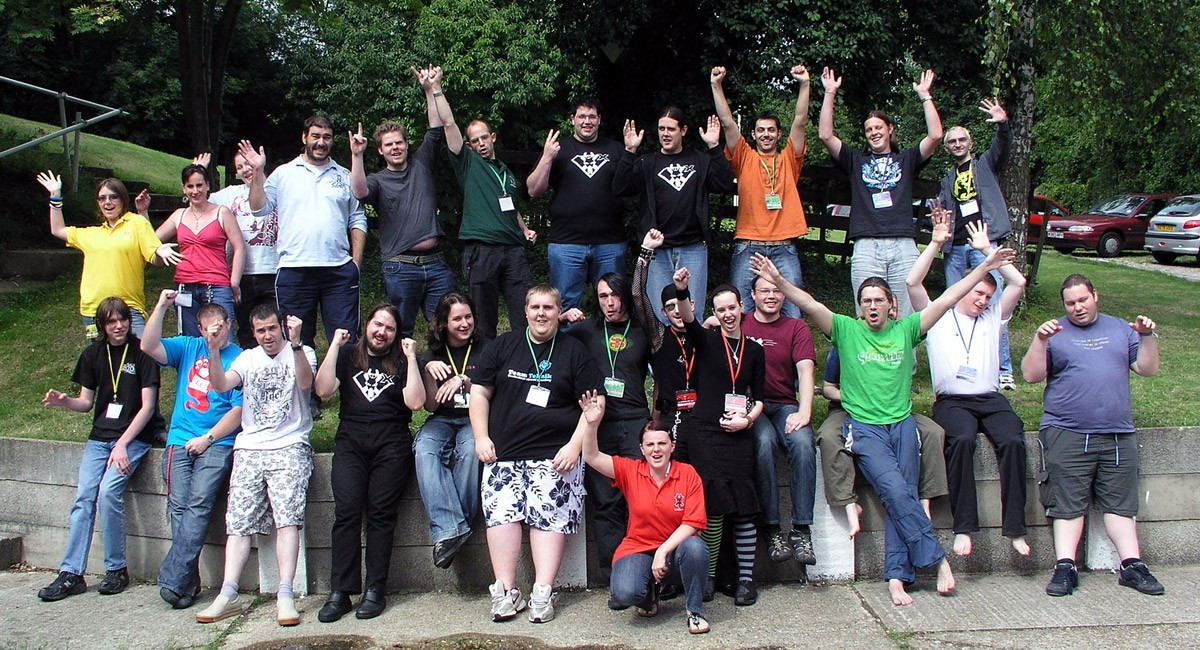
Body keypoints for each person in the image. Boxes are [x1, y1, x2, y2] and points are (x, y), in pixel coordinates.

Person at [753, 244, 1016, 606]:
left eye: (879, 300)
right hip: (865, 428)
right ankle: (937, 559)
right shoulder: (845, 329)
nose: (872, 306)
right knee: (895, 490)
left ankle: (896, 576)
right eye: (866, 301)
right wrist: (780, 281)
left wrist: (985, 266)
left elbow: (949, 298)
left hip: (902, 425)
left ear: (891, 304)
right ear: (859, 307)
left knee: (901, 495)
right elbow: (810, 304)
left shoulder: (907, 329)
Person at [467, 284, 604, 623]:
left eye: (548, 307)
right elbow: (479, 392)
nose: (541, 313)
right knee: (501, 516)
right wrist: (481, 437)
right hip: (504, 454)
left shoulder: (574, 352)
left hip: (555, 456)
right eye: (535, 307)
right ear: (525, 311)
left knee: (549, 517)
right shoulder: (504, 345)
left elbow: (595, 404)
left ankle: (542, 591)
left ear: (559, 312)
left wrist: (574, 446)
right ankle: (505, 591)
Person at [1021, 274, 1164, 597]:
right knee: (1066, 505)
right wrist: (1040, 340)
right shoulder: (1054, 332)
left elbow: (1147, 369)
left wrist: (1146, 336)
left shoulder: (1120, 329)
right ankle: (1065, 567)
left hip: (1117, 433)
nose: (1078, 308)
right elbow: (1031, 375)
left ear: (1095, 296)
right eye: (1070, 303)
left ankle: (1132, 566)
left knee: (1120, 505)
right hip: (1066, 431)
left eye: (1083, 300)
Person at [907, 212, 1029, 558]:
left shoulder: (993, 318)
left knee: (1013, 440)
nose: (983, 301)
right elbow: (913, 283)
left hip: (989, 397)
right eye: (978, 293)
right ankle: (963, 527)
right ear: (963, 288)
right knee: (960, 440)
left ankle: (1016, 528)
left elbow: (1018, 283)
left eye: (988, 296)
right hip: (953, 401)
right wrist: (935, 244)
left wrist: (988, 250)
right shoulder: (938, 314)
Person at [37, 297, 166, 602]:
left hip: (133, 437)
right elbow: (85, 403)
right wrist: (65, 402)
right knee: (84, 497)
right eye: (111, 321)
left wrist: (122, 445)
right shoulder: (93, 354)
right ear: (102, 325)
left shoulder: (143, 352)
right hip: (100, 437)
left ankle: (116, 568)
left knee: (108, 492)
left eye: (122, 319)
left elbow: (148, 408)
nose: (118, 326)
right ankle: (71, 573)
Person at [195, 306, 317, 627]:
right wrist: (212, 349)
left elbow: (307, 384)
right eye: (261, 330)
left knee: (287, 518)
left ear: (281, 327)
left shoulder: (301, 352)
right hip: (250, 447)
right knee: (237, 521)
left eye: (272, 328)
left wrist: (295, 344)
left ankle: (285, 594)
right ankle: (228, 592)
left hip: (290, 444)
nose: (267, 335)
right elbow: (221, 385)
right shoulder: (247, 358)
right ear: (253, 332)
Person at [314, 305, 424, 622]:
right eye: (378, 324)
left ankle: (375, 589)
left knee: (381, 514)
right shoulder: (349, 355)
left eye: (390, 328)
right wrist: (334, 346)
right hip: (351, 442)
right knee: (347, 511)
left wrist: (412, 358)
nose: (382, 332)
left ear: (397, 334)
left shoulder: (402, 360)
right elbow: (322, 390)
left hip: (392, 444)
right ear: (367, 325)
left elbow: (416, 403)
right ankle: (340, 591)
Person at [141, 290, 243, 609]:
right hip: (180, 438)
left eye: (219, 326)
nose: (214, 332)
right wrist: (161, 306)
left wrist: (208, 438)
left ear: (228, 324)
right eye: (207, 328)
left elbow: (238, 410)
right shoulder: (188, 347)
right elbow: (148, 346)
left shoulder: (240, 358)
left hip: (218, 441)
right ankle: (187, 583)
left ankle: (172, 579)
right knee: (178, 507)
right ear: (199, 328)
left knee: (199, 504)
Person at [817, 67, 943, 319]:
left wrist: (925, 96)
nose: (874, 132)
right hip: (866, 244)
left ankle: (903, 348)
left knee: (904, 314)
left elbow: (936, 135)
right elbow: (825, 135)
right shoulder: (855, 160)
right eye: (869, 129)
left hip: (902, 243)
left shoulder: (906, 159)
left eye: (878, 127)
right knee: (867, 312)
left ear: (890, 129)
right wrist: (830, 92)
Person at [672, 271, 765, 606]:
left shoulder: (755, 350)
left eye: (732, 308)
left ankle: (746, 580)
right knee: (711, 507)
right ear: (715, 312)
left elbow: (760, 397)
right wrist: (682, 290)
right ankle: (708, 576)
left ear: (742, 307)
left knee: (743, 507)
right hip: (706, 433)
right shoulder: (707, 340)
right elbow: (688, 319)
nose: (727, 314)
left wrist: (747, 420)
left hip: (738, 433)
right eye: (721, 309)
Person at [238, 116, 367, 349]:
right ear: (304, 137)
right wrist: (257, 171)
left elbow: (357, 218)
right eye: (315, 136)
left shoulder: (344, 175)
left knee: (346, 341)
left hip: (338, 271)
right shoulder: (283, 174)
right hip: (294, 270)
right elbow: (258, 208)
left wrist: (355, 263)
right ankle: (307, 376)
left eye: (327, 137)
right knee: (295, 341)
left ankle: (343, 375)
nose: (321, 142)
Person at [350, 66, 457, 338]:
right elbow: (359, 192)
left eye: (399, 142)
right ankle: (403, 367)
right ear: (380, 150)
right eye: (389, 145)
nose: (395, 147)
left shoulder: (421, 163)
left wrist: (429, 90)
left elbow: (435, 128)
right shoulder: (377, 180)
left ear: (407, 145)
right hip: (400, 266)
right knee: (400, 329)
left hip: (436, 264)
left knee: (445, 327)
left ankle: (439, 366)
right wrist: (357, 156)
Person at [583, 418, 711, 635]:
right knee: (624, 592)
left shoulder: (688, 474)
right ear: (642, 449)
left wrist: (663, 551)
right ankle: (648, 596)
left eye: (662, 443)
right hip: (638, 548)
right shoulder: (631, 470)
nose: (656, 449)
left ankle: (694, 611)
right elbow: (591, 456)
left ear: (672, 446)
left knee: (696, 548)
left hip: (676, 553)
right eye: (650, 444)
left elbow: (693, 522)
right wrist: (591, 423)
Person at [564, 273, 651, 587]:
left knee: (641, 501)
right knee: (606, 503)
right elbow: (543, 334)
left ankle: (647, 572)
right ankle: (615, 575)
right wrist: (562, 316)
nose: (610, 303)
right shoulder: (586, 330)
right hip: (600, 425)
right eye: (603, 296)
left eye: (615, 295)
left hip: (636, 421)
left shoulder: (643, 330)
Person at [613, 108, 736, 325]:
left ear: (683, 130)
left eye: (671, 129)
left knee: (692, 314)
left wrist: (714, 147)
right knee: (660, 315)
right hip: (657, 251)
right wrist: (630, 151)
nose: (665, 134)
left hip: (693, 248)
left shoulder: (699, 161)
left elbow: (725, 184)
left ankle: (692, 349)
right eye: (661, 129)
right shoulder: (647, 163)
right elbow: (620, 188)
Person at [815, 345, 948, 537]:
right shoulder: (845, 341)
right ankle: (849, 503)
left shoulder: (899, 343)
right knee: (829, 436)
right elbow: (828, 389)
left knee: (933, 432)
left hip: (891, 411)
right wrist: (853, 398)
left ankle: (924, 502)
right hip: (847, 408)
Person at [710, 65, 811, 316]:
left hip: (784, 246)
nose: (766, 135)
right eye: (761, 130)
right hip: (749, 244)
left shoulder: (789, 158)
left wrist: (805, 84)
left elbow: (800, 121)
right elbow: (728, 123)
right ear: (753, 134)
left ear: (778, 134)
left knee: (793, 310)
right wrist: (716, 85)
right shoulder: (744, 156)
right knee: (741, 309)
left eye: (771, 130)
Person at [36, 171, 179, 338]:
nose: (107, 202)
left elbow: (154, 257)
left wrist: (160, 251)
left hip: (128, 308)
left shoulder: (137, 223)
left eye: (113, 197)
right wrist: (55, 196)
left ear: (123, 199)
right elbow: (58, 230)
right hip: (94, 311)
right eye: (102, 198)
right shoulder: (91, 233)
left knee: (142, 352)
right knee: (100, 355)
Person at [739, 273, 818, 567]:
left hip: (785, 404)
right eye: (764, 290)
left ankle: (801, 528)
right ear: (753, 295)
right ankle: (771, 528)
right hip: (752, 405)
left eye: (776, 291)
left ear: (784, 295)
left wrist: (805, 411)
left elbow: (806, 372)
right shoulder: (741, 323)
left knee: (803, 442)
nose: (771, 296)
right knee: (763, 442)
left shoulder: (796, 327)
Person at [938, 99, 1016, 390]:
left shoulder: (984, 165)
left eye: (962, 140)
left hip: (984, 244)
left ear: (970, 143)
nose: (957, 144)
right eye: (952, 141)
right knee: (954, 305)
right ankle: (960, 362)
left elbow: (1003, 146)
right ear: (947, 148)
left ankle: (1002, 369)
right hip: (956, 248)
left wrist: (1002, 123)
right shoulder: (947, 179)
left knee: (993, 306)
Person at [527, 96, 629, 314]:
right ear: (572, 119)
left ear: (599, 119)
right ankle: (567, 339)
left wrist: (631, 150)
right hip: (566, 242)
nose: (587, 121)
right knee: (564, 307)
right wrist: (547, 157)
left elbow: (631, 188)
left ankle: (608, 338)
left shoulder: (615, 149)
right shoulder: (558, 149)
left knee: (613, 305)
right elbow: (533, 190)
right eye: (582, 116)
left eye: (592, 116)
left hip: (610, 242)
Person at [448, 112, 536, 340]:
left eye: (484, 137)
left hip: (514, 250)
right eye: (475, 141)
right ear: (469, 145)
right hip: (482, 248)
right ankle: (485, 360)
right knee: (483, 318)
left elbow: (511, 207)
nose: (481, 143)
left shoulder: (505, 171)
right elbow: (449, 124)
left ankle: (523, 358)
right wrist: (435, 93)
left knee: (524, 314)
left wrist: (524, 229)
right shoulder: (468, 162)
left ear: (493, 137)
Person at [415, 292, 486, 569]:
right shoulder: (433, 352)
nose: (464, 323)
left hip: (474, 417)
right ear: (444, 322)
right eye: (457, 319)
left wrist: (464, 380)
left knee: (471, 450)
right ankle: (455, 528)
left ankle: (450, 531)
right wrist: (426, 370)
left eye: (468, 317)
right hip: (443, 418)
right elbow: (431, 406)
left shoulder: (485, 347)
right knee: (425, 448)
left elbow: (493, 393)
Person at [154, 163, 246, 338]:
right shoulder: (179, 215)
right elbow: (152, 240)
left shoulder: (221, 213)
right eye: (190, 186)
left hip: (216, 286)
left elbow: (239, 247)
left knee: (222, 338)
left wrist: (234, 282)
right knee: (190, 341)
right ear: (184, 188)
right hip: (184, 286)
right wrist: (159, 248)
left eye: (199, 185)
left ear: (207, 185)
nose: (195, 191)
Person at [206, 151, 281, 349]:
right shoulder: (228, 194)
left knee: (276, 328)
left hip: (274, 271)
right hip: (241, 275)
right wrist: (200, 170)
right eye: (239, 167)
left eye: (248, 164)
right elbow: (198, 201)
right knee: (247, 330)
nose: (245, 170)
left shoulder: (277, 188)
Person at [631, 230, 698, 439]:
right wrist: (645, 254)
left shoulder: (704, 336)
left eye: (681, 304)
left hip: (700, 414)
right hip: (669, 415)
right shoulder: (659, 335)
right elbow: (638, 295)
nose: (677, 311)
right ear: (663, 312)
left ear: (692, 305)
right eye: (670, 307)